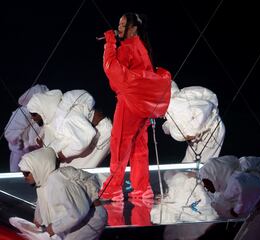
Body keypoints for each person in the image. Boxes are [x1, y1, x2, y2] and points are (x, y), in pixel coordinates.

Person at [100, 12, 171, 201]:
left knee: (120, 145)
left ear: (133, 28)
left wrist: (109, 43)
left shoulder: (127, 48)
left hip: (129, 103)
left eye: (123, 25)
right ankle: (142, 188)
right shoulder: (142, 47)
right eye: (119, 24)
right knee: (139, 147)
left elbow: (111, 69)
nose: (119, 28)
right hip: (142, 106)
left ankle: (113, 188)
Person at [18, 147, 107, 239]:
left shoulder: (58, 180)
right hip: (80, 221)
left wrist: (54, 228)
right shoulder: (44, 182)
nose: (24, 177)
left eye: (26, 173)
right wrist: (38, 218)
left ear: (38, 168)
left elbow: (77, 213)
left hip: (89, 221)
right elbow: (42, 202)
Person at [200, 155, 260, 240]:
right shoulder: (230, 184)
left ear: (215, 176)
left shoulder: (238, 180)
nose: (206, 187)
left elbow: (242, 203)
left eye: (207, 182)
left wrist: (235, 212)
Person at [26, 89, 112, 169]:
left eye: (34, 114)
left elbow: (85, 137)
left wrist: (63, 154)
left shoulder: (64, 118)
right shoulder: (54, 116)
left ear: (42, 109)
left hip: (101, 133)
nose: (32, 118)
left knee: (73, 172)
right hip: (96, 134)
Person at [162, 81, 225, 163]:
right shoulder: (174, 105)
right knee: (187, 167)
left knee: (203, 167)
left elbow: (206, 107)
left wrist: (190, 133)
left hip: (212, 132)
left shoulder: (178, 106)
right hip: (199, 135)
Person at [4, 84, 49, 172]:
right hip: (21, 155)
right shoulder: (20, 113)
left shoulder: (46, 113)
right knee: (18, 180)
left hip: (39, 155)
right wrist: (18, 139)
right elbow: (9, 132)